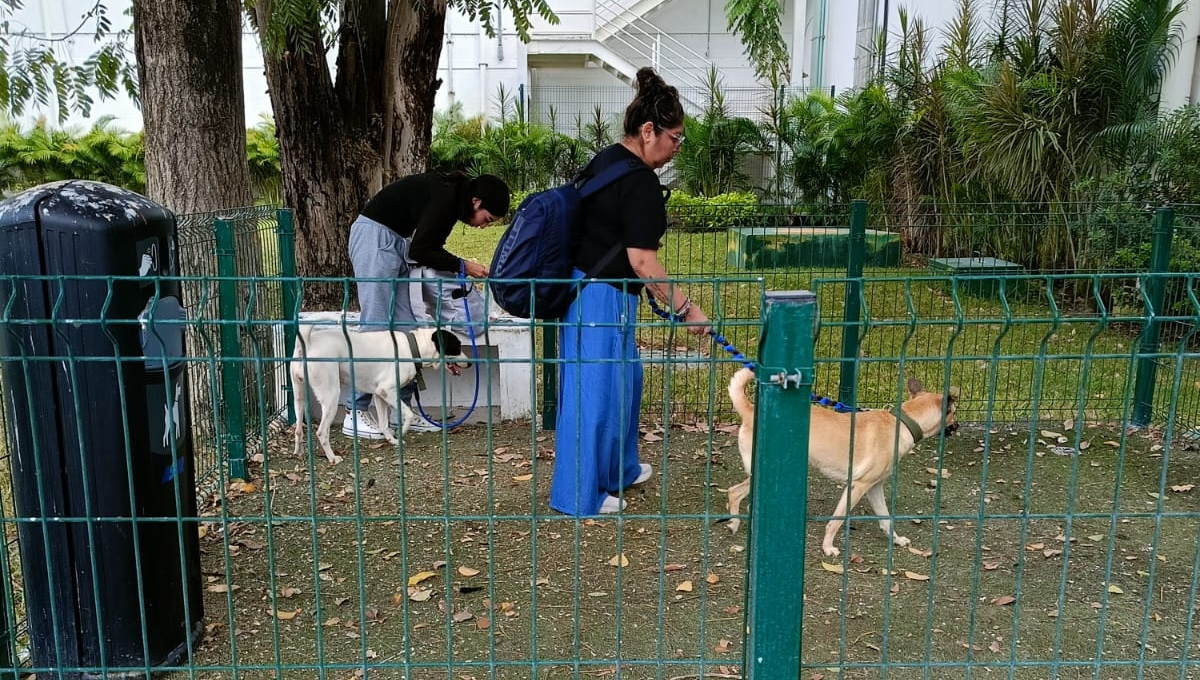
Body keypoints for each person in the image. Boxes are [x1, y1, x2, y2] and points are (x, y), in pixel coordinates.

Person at [550, 67, 710, 516]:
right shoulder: (638, 180)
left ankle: (619, 469)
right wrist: (688, 309)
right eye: (674, 138)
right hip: (598, 295)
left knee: (623, 383)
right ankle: (578, 496)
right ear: (648, 130)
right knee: (592, 394)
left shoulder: (607, 160)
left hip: (605, 294)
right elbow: (643, 261)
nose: (676, 149)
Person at [343, 171, 510, 439]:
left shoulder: (453, 201)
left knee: (407, 330)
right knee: (375, 325)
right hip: (375, 238)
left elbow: (426, 248)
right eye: (486, 219)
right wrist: (464, 266)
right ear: (477, 202)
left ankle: (401, 411)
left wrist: (459, 266)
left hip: (398, 243)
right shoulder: (447, 197)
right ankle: (355, 411)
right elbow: (422, 250)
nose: (483, 226)